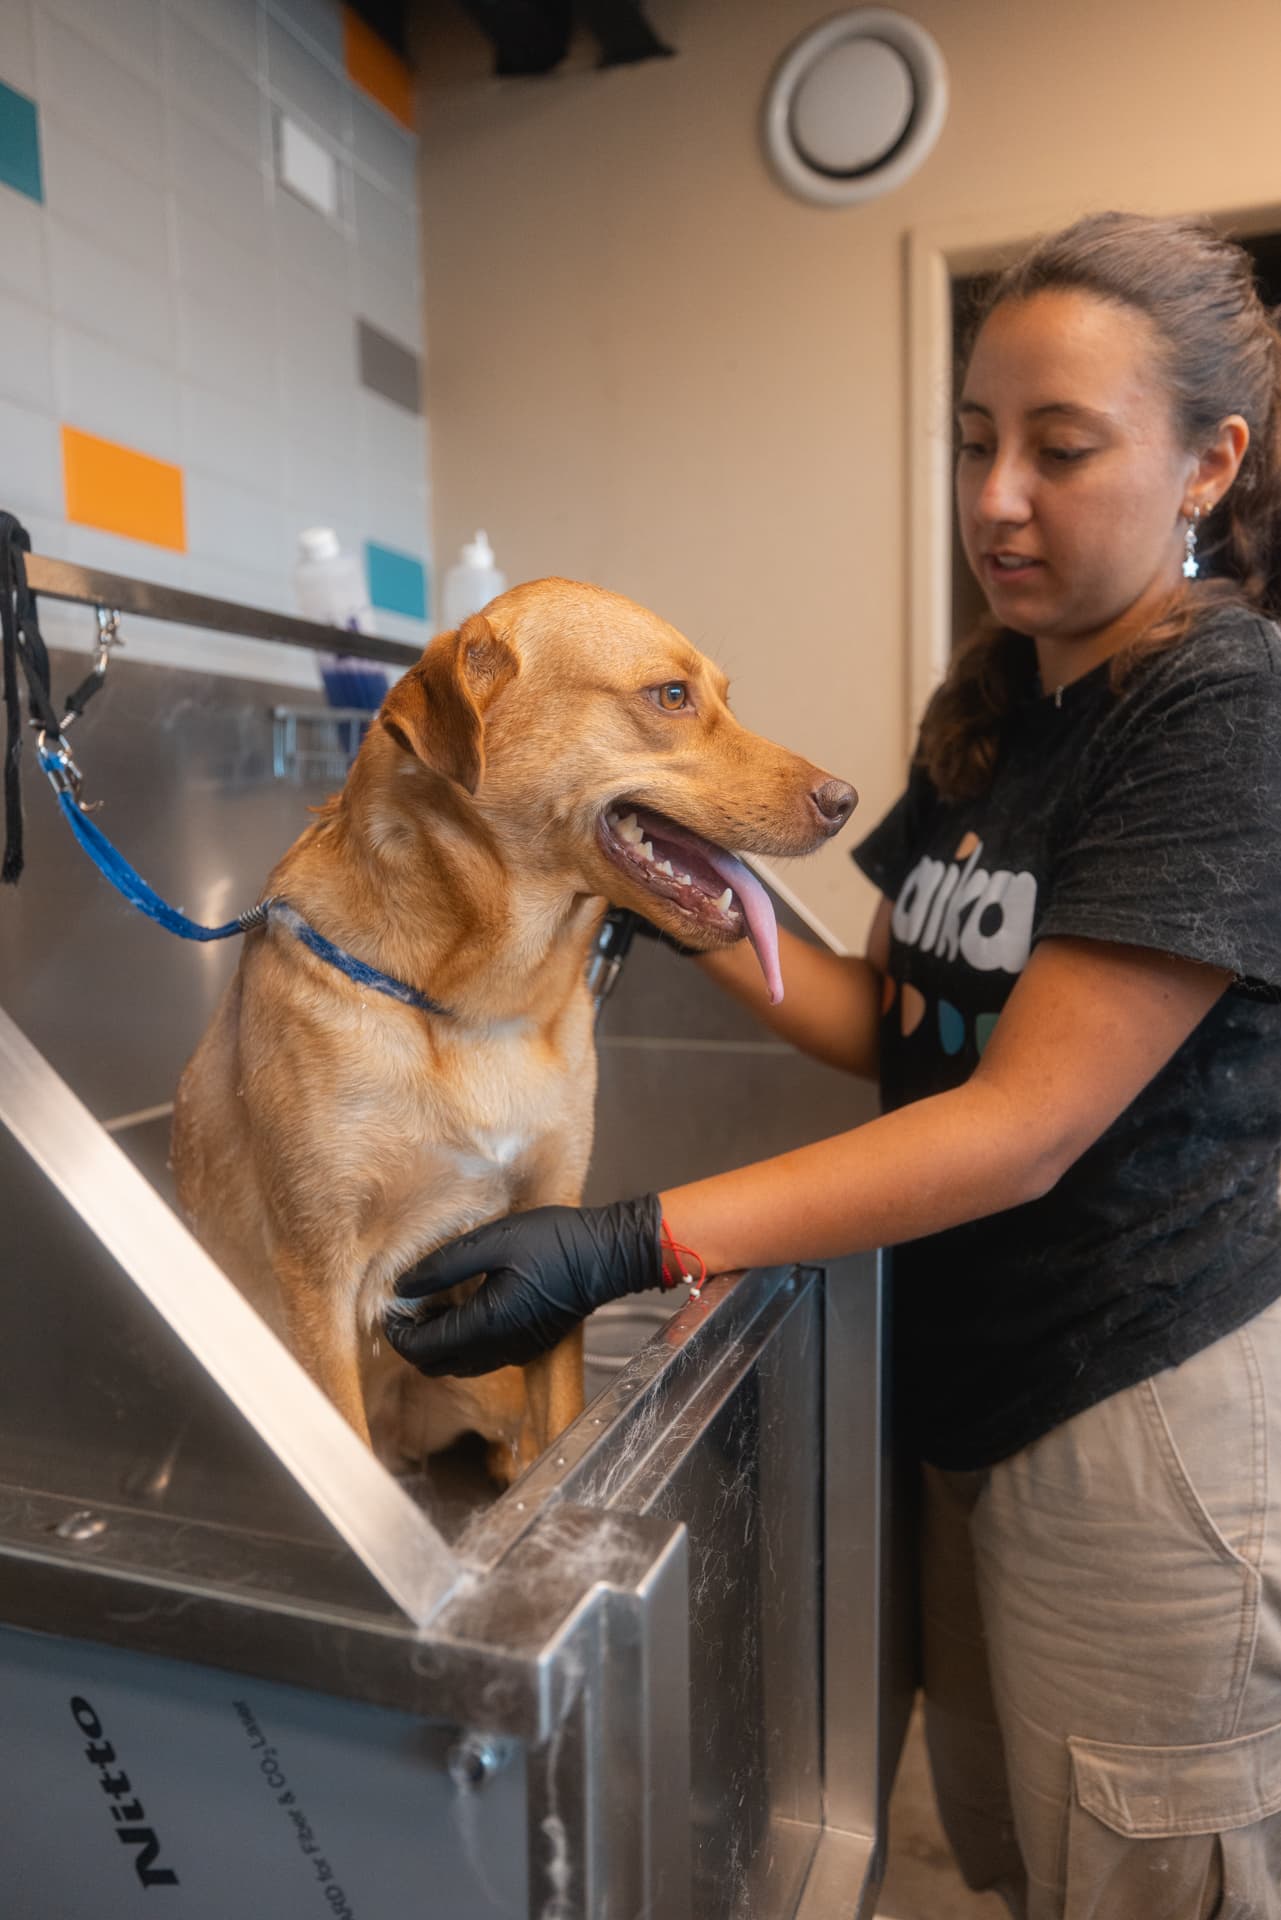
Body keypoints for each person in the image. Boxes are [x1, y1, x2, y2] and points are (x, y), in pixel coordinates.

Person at [387, 211, 1281, 1919]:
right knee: (1026, 1852)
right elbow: (885, 1015)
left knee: (1146, 1873)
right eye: (972, 440)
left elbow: (1018, 1126)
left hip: (1142, 1408)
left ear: (1206, 464)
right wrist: (651, 879)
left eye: (1060, 450)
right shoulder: (1002, 704)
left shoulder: (1220, 712)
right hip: (970, 1378)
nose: (995, 499)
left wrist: (630, 1240)